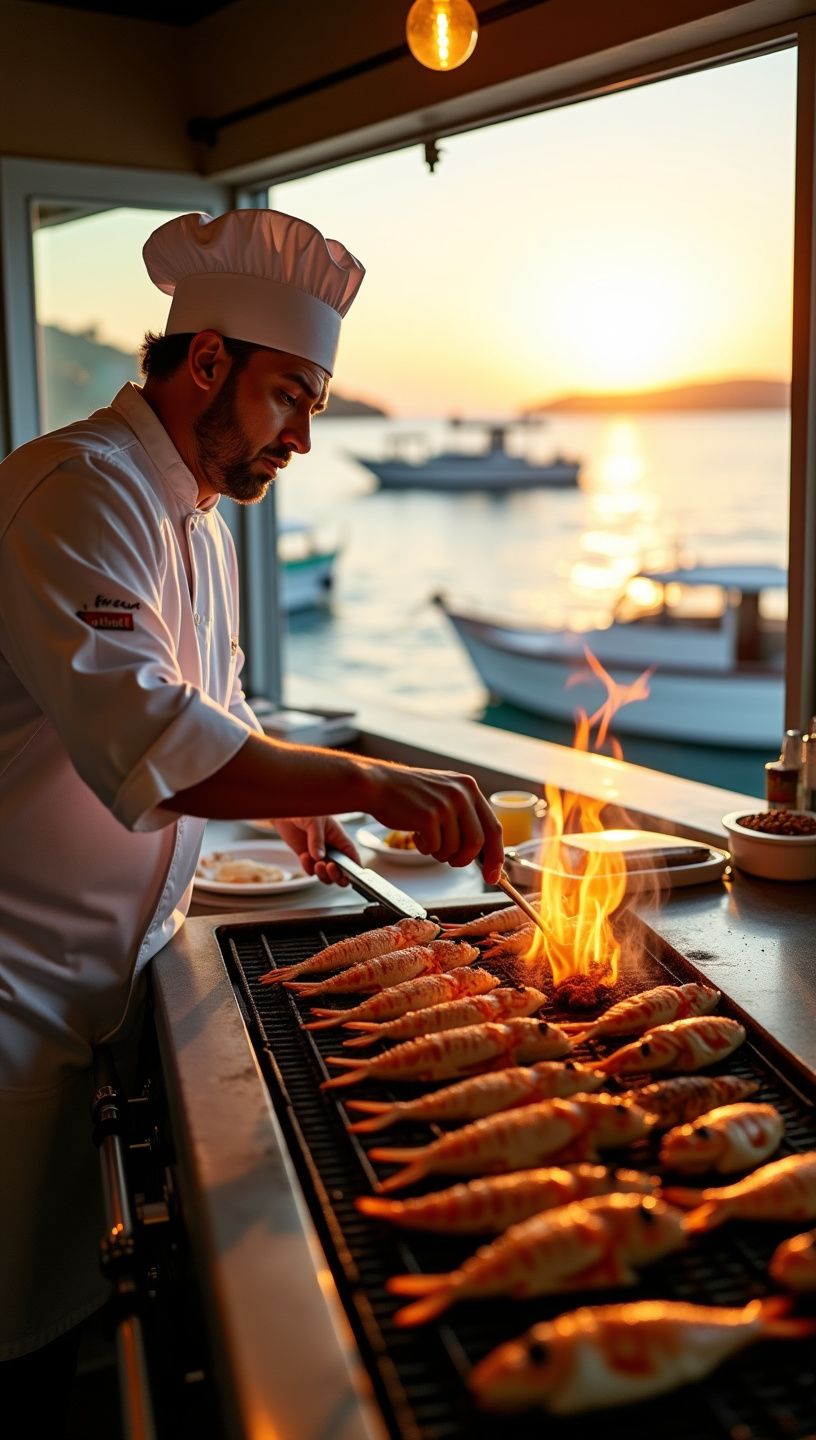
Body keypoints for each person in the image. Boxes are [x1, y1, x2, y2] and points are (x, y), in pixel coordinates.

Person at [0, 207, 504, 1424]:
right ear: (208, 361)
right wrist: (369, 782)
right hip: (12, 995)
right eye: (294, 396)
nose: (306, 437)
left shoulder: (203, 523)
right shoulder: (74, 490)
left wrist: (288, 810)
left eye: (320, 404)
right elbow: (160, 746)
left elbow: (218, 709)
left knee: (79, 1330)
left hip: (108, 984)